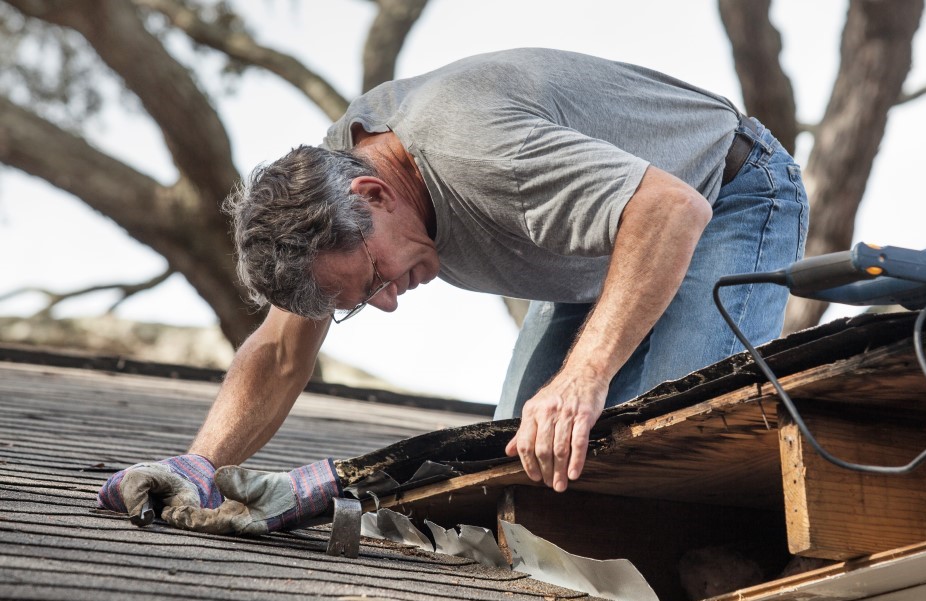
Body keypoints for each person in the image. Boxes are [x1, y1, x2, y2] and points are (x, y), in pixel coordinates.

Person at [97, 48, 808, 534]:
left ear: (374, 193)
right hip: (597, 251)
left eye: (374, 278)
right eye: (360, 301)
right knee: (522, 481)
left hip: (728, 194)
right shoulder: (326, 192)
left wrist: (584, 377)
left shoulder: (476, 151)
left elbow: (668, 211)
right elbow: (282, 353)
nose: (388, 300)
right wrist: (199, 466)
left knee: (673, 458)